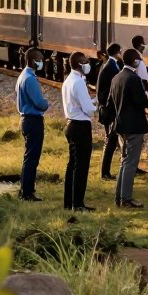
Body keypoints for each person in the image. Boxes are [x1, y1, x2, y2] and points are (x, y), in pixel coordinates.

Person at [111, 48, 148, 208]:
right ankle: (126, 198)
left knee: (124, 161)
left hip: (121, 125)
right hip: (134, 127)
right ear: (134, 61)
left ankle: (119, 197)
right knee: (131, 162)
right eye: (138, 59)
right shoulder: (134, 79)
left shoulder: (116, 78)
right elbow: (141, 102)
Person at [62, 51, 97, 211]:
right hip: (81, 126)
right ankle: (78, 203)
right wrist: (96, 106)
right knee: (82, 166)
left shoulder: (68, 80)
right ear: (79, 64)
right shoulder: (79, 82)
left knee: (72, 164)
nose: (88, 64)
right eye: (85, 62)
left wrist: (92, 101)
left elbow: (80, 102)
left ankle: (69, 202)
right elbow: (88, 109)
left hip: (70, 124)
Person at [16, 48, 49, 202]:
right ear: (33, 60)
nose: (42, 62)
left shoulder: (23, 76)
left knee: (28, 156)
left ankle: (24, 188)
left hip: (25, 119)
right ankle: (27, 192)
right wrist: (46, 103)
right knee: (32, 158)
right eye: (40, 59)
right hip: (33, 120)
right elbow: (40, 103)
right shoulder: (30, 79)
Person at [97, 43, 122, 181]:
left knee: (111, 140)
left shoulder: (109, 65)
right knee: (110, 140)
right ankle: (105, 172)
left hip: (108, 109)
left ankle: (105, 171)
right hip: (110, 110)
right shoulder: (111, 67)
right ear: (117, 52)